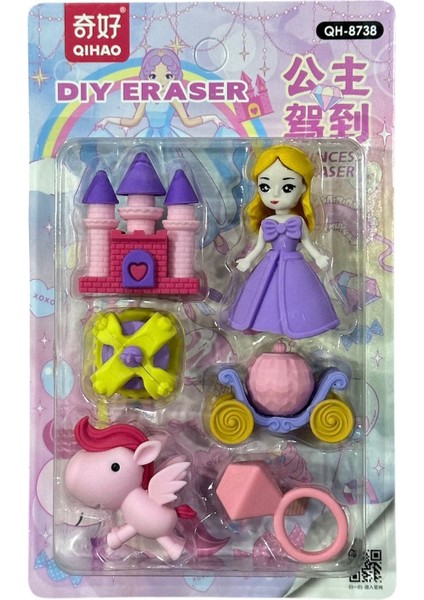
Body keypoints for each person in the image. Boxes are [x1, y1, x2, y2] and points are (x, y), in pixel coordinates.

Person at [227, 145, 340, 338]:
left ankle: (300, 324)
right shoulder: (267, 223)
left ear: (302, 188)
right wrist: (247, 260)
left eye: (287, 187)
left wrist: (318, 257)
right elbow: (259, 247)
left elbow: (307, 243)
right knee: (264, 294)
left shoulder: (298, 222)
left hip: (294, 263)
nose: (275, 195)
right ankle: (264, 322)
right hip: (269, 262)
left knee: (295, 293)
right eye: (265, 187)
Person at [95, 48, 222, 137]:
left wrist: (213, 117)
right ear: (146, 77)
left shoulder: (173, 98)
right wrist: (107, 120)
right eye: (153, 76)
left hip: (168, 136)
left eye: (168, 76)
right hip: (148, 136)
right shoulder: (145, 98)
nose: (160, 82)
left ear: (175, 77)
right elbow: (133, 121)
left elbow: (188, 122)